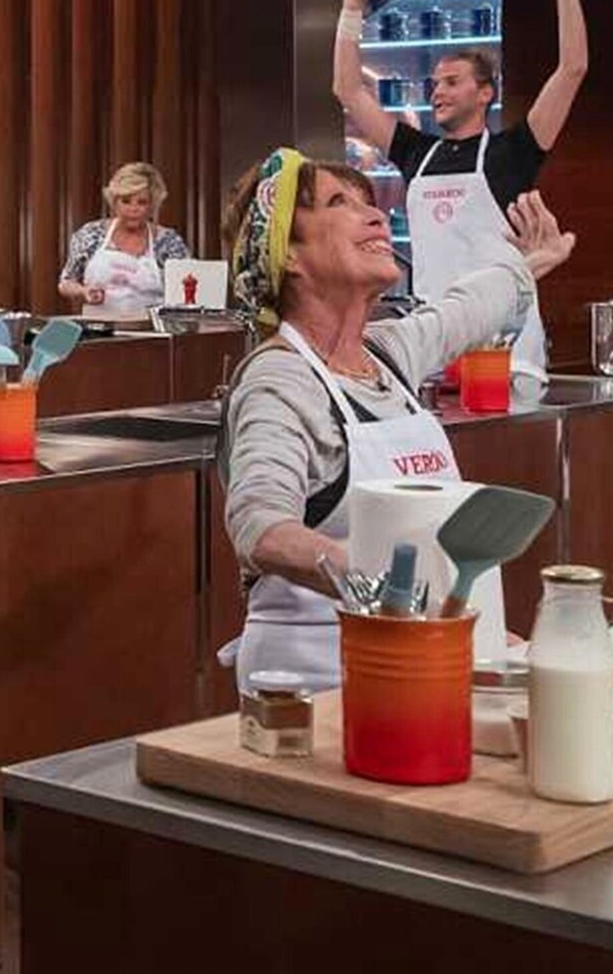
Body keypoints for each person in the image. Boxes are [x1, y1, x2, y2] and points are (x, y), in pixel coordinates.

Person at [218, 148, 575, 692]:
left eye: (370, 202)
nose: (376, 215)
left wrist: (529, 263)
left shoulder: (385, 355)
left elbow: (464, 309)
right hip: (319, 683)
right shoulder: (281, 380)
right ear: (286, 254)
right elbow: (261, 528)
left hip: (419, 658)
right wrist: (391, 590)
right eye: (339, 203)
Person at [333, 0, 589, 390]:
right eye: (435, 84)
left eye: (452, 82)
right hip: (436, 349)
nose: (438, 92)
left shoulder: (514, 152)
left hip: (506, 354)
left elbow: (572, 68)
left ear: (486, 93)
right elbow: (348, 90)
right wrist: (352, 8)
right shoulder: (416, 151)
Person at [56, 161, 191, 319]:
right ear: (114, 202)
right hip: (99, 328)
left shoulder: (168, 241)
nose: (133, 209)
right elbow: (66, 283)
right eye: (126, 201)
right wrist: (83, 291)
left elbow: (187, 287)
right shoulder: (91, 234)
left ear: (153, 206)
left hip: (152, 329)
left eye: (142, 202)